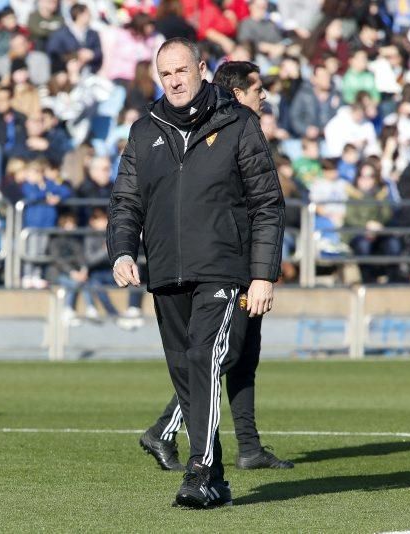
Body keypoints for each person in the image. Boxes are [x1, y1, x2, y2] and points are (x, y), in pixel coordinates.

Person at [108, 41, 284, 509]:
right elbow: (127, 201)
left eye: (182, 71)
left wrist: (263, 274)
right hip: (166, 271)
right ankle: (216, 478)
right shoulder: (145, 131)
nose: (175, 81)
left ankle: (200, 471)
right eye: (166, 74)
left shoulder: (238, 122)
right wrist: (122, 251)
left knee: (207, 356)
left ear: (202, 70)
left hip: (223, 268)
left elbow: (267, 203)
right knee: (187, 372)